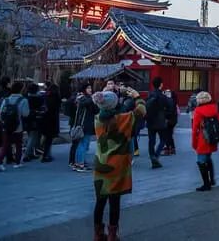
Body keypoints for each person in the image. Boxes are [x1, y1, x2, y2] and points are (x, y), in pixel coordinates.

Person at [92, 86, 146, 241]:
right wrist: (136, 96)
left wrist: (107, 92)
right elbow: (141, 110)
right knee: (114, 202)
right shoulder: (124, 119)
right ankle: (112, 234)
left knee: (100, 201)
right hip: (117, 166)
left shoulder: (98, 119)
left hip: (101, 164)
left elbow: (105, 105)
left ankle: (98, 233)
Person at [0, 81, 30, 171]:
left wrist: (4, 122)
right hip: (18, 127)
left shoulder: (6, 100)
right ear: (21, 90)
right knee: (18, 144)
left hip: (6, 127)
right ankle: (17, 163)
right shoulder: (23, 100)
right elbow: (26, 114)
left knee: (5, 145)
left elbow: (0, 114)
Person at [191, 91, 218, 191]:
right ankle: (212, 179)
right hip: (212, 137)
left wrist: (194, 143)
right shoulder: (214, 108)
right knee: (208, 158)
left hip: (203, 138)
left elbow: (195, 129)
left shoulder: (198, 110)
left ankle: (206, 184)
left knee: (201, 161)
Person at [73, 82, 98, 172]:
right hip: (83, 125)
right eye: (88, 88)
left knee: (84, 145)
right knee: (83, 145)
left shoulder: (87, 98)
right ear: (84, 89)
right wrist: (94, 98)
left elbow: (95, 110)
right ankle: (79, 163)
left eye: (90, 88)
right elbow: (87, 103)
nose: (90, 90)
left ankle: (80, 162)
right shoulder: (82, 98)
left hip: (87, 125)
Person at [146, 77, 170, 169]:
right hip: (160, 120)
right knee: (163, 139)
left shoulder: (149, 95)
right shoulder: (163, 96)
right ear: (160, 84)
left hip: (150, 120)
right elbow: (169, 107)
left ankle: (152, 156)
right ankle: (156, 155)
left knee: (151, 140)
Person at [40, 83, 61, 163]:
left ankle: (46, 154)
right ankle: (46, 155)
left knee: (46, 138)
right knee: (49, 140)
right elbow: (57, 108)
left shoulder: (46, 96)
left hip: (45, 119)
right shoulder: (56, 98)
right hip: (52, 120)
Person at [23, 82, 43, 161]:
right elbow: (41, 107)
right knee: (33, 136)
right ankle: (27, 154)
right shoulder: (38, 98)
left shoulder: (26, 97)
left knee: (30, 135)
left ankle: (31, 153)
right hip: (35, 118)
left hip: (27, 118)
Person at [163, 89, 178, 155]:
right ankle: (172, 148)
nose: (166, 93)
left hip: (169, 120)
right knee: (169, 134)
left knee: (167, 135)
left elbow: (168, 112)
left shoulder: (170, 101)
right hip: (173, 119)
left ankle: (167, 149)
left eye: (168, 92)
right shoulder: (173, 101)